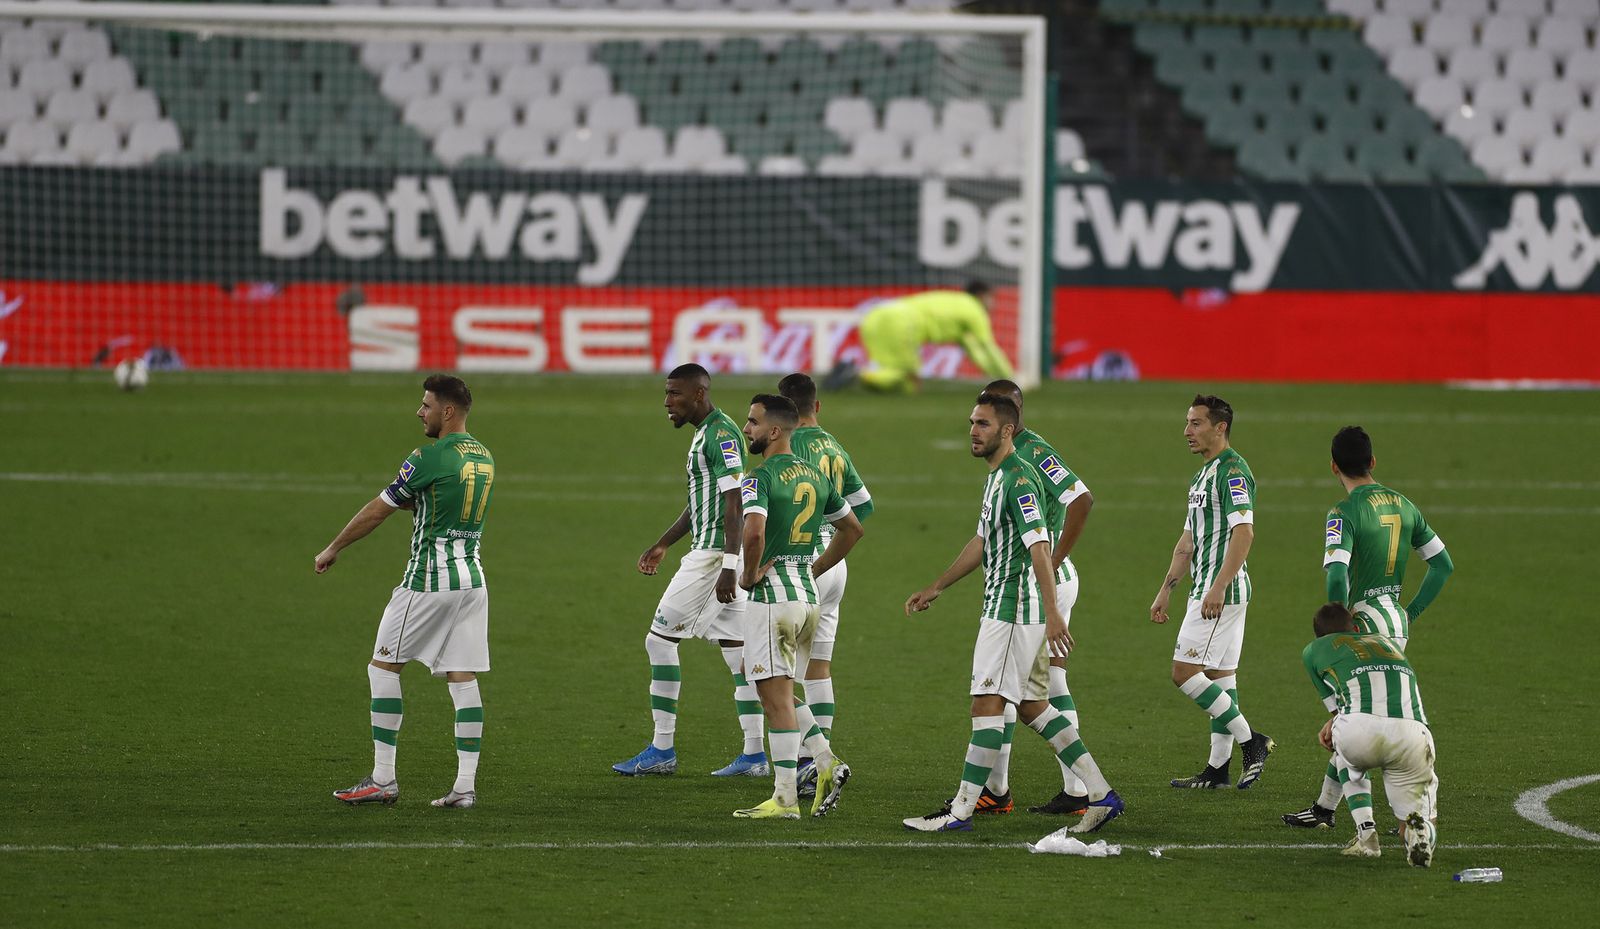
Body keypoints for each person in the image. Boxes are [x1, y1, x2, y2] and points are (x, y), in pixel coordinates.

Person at [901, 393, 1123, 834]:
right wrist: (937, 586)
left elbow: (1040, 546)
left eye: (982, 424)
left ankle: (961, 811)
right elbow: (982, 541)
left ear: (1007, 430)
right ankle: (1101, 794)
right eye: (971, 422)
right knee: (1034, 706)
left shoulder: (1019, 480)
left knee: (986, 705)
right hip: (1010, 606)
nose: (973, 431)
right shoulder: (998, 476)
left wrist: (1054, 612)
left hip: (1012, 610)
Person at [317, 374, 493, 809]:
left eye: (426, 405)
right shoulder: (483, 455)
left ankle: (382, 779)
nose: (420, 412)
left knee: (383, 668)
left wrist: (334, 547)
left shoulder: (428, 456)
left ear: (447, 411)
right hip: (471, 581)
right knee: (462, 677)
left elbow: (379, 509)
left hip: (428, 581)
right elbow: (439, 500)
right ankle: (464, 787)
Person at [1284, 426, 1455, 829]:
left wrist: (1338, 625)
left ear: (1333, 467)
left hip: (1360, 622)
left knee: (1352, 721)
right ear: (1372, 462)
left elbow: (1336, 573)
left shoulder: (1343, 512)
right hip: (1394, 620)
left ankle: (1371, 824)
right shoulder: (1405, 505)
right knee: (1360, 714)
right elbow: (1442, 565)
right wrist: (1410, 613)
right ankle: (1325, 808)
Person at [612, 364, 767, 778]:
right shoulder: (706, 433)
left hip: (714, 558)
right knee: (740, 657)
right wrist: (664, 542)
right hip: (717, 553)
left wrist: (729, 566)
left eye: (675, 394)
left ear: (699, 394)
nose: (667, 402)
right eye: (666, 394)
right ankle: (755, 755)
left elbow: (735, 501)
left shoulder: (721, 434)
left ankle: (662, 747)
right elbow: (704, 500)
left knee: (659, 641)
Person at [732, 394, 866, 819]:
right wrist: (815, 566)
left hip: (773, 599)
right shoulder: (815, 474)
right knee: (774, 686)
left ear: (774, 430)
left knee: (774, 700)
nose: (746, 429)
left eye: (753, 422)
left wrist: (748, 575)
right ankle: (825, 760)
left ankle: (786, 798)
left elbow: (754, 533)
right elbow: (853, 528)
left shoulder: (758, 477)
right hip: (808, 597)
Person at [970, 380, 1097, 816]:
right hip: (1032, 580)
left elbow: (1082, 499)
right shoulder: (1005, 458)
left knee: (1022, 688)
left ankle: (1078, 789)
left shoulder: (1034, 453)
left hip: (1040, 582)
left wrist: (1055, 559)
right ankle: (1001, 788)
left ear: (1013, 414)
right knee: (1024, 688)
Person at [1149, 394, 1274, 790]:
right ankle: (1217, 769)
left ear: (1220, 428)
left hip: (1221, 593)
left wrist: (1218, 587)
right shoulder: (1202, 475)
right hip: (1207, 589)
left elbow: (1245, 532)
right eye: (1187, 422)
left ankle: (1252, 741)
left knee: (1184, 672)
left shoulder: (1233, 471)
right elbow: (1187, 542)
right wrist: (1166, 589)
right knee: (1220, 678)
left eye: (1196, 423)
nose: (1187, 431)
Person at [776, 373, 874, 788]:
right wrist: (830, 541)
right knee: (816, 668)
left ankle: (813, 757)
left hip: (803, 565)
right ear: (817, 406)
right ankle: (815, 766)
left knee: (769, 671)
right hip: (836, 565)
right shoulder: (833, 445)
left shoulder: (788, 445)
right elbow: (863, 507)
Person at [1302, 603, 1439, 867]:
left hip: (1359, 730)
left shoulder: (1314, 650)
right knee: (1410, 822)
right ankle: (1418, 831)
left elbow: (1337, 709)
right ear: (1355, 629)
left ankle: (1367, 837)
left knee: (1345, 755)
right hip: (1412, 734)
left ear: (1319, 636)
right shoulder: (1388, 643)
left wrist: (1336, 723)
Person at [827, 281, 1014, 393]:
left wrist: (999, 377)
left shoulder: (953, 301)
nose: (993, 304)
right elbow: (988, 348)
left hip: (875, 316)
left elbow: (976, 353)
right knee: (906, 378)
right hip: (900, 322)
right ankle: (856, 373)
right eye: (991, 298)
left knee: (898, 379)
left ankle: (855, 372)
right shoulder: (974, 309)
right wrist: (1010, 379)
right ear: (981, 296)